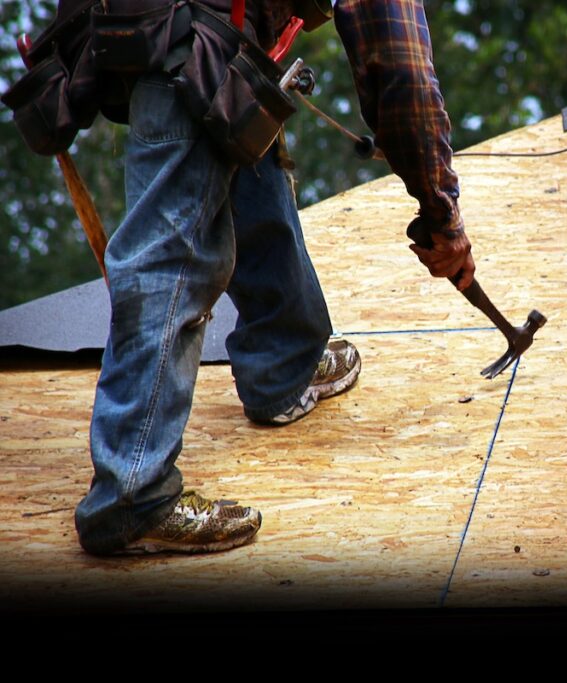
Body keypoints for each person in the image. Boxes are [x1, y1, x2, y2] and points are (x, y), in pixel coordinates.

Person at [72, 0, 475, 555]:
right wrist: (441, 212)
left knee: (247, 148)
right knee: (170, 260)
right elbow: (399, 68)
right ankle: (132, 495)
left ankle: (287, 362)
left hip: (181, 37)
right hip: (184, 41)